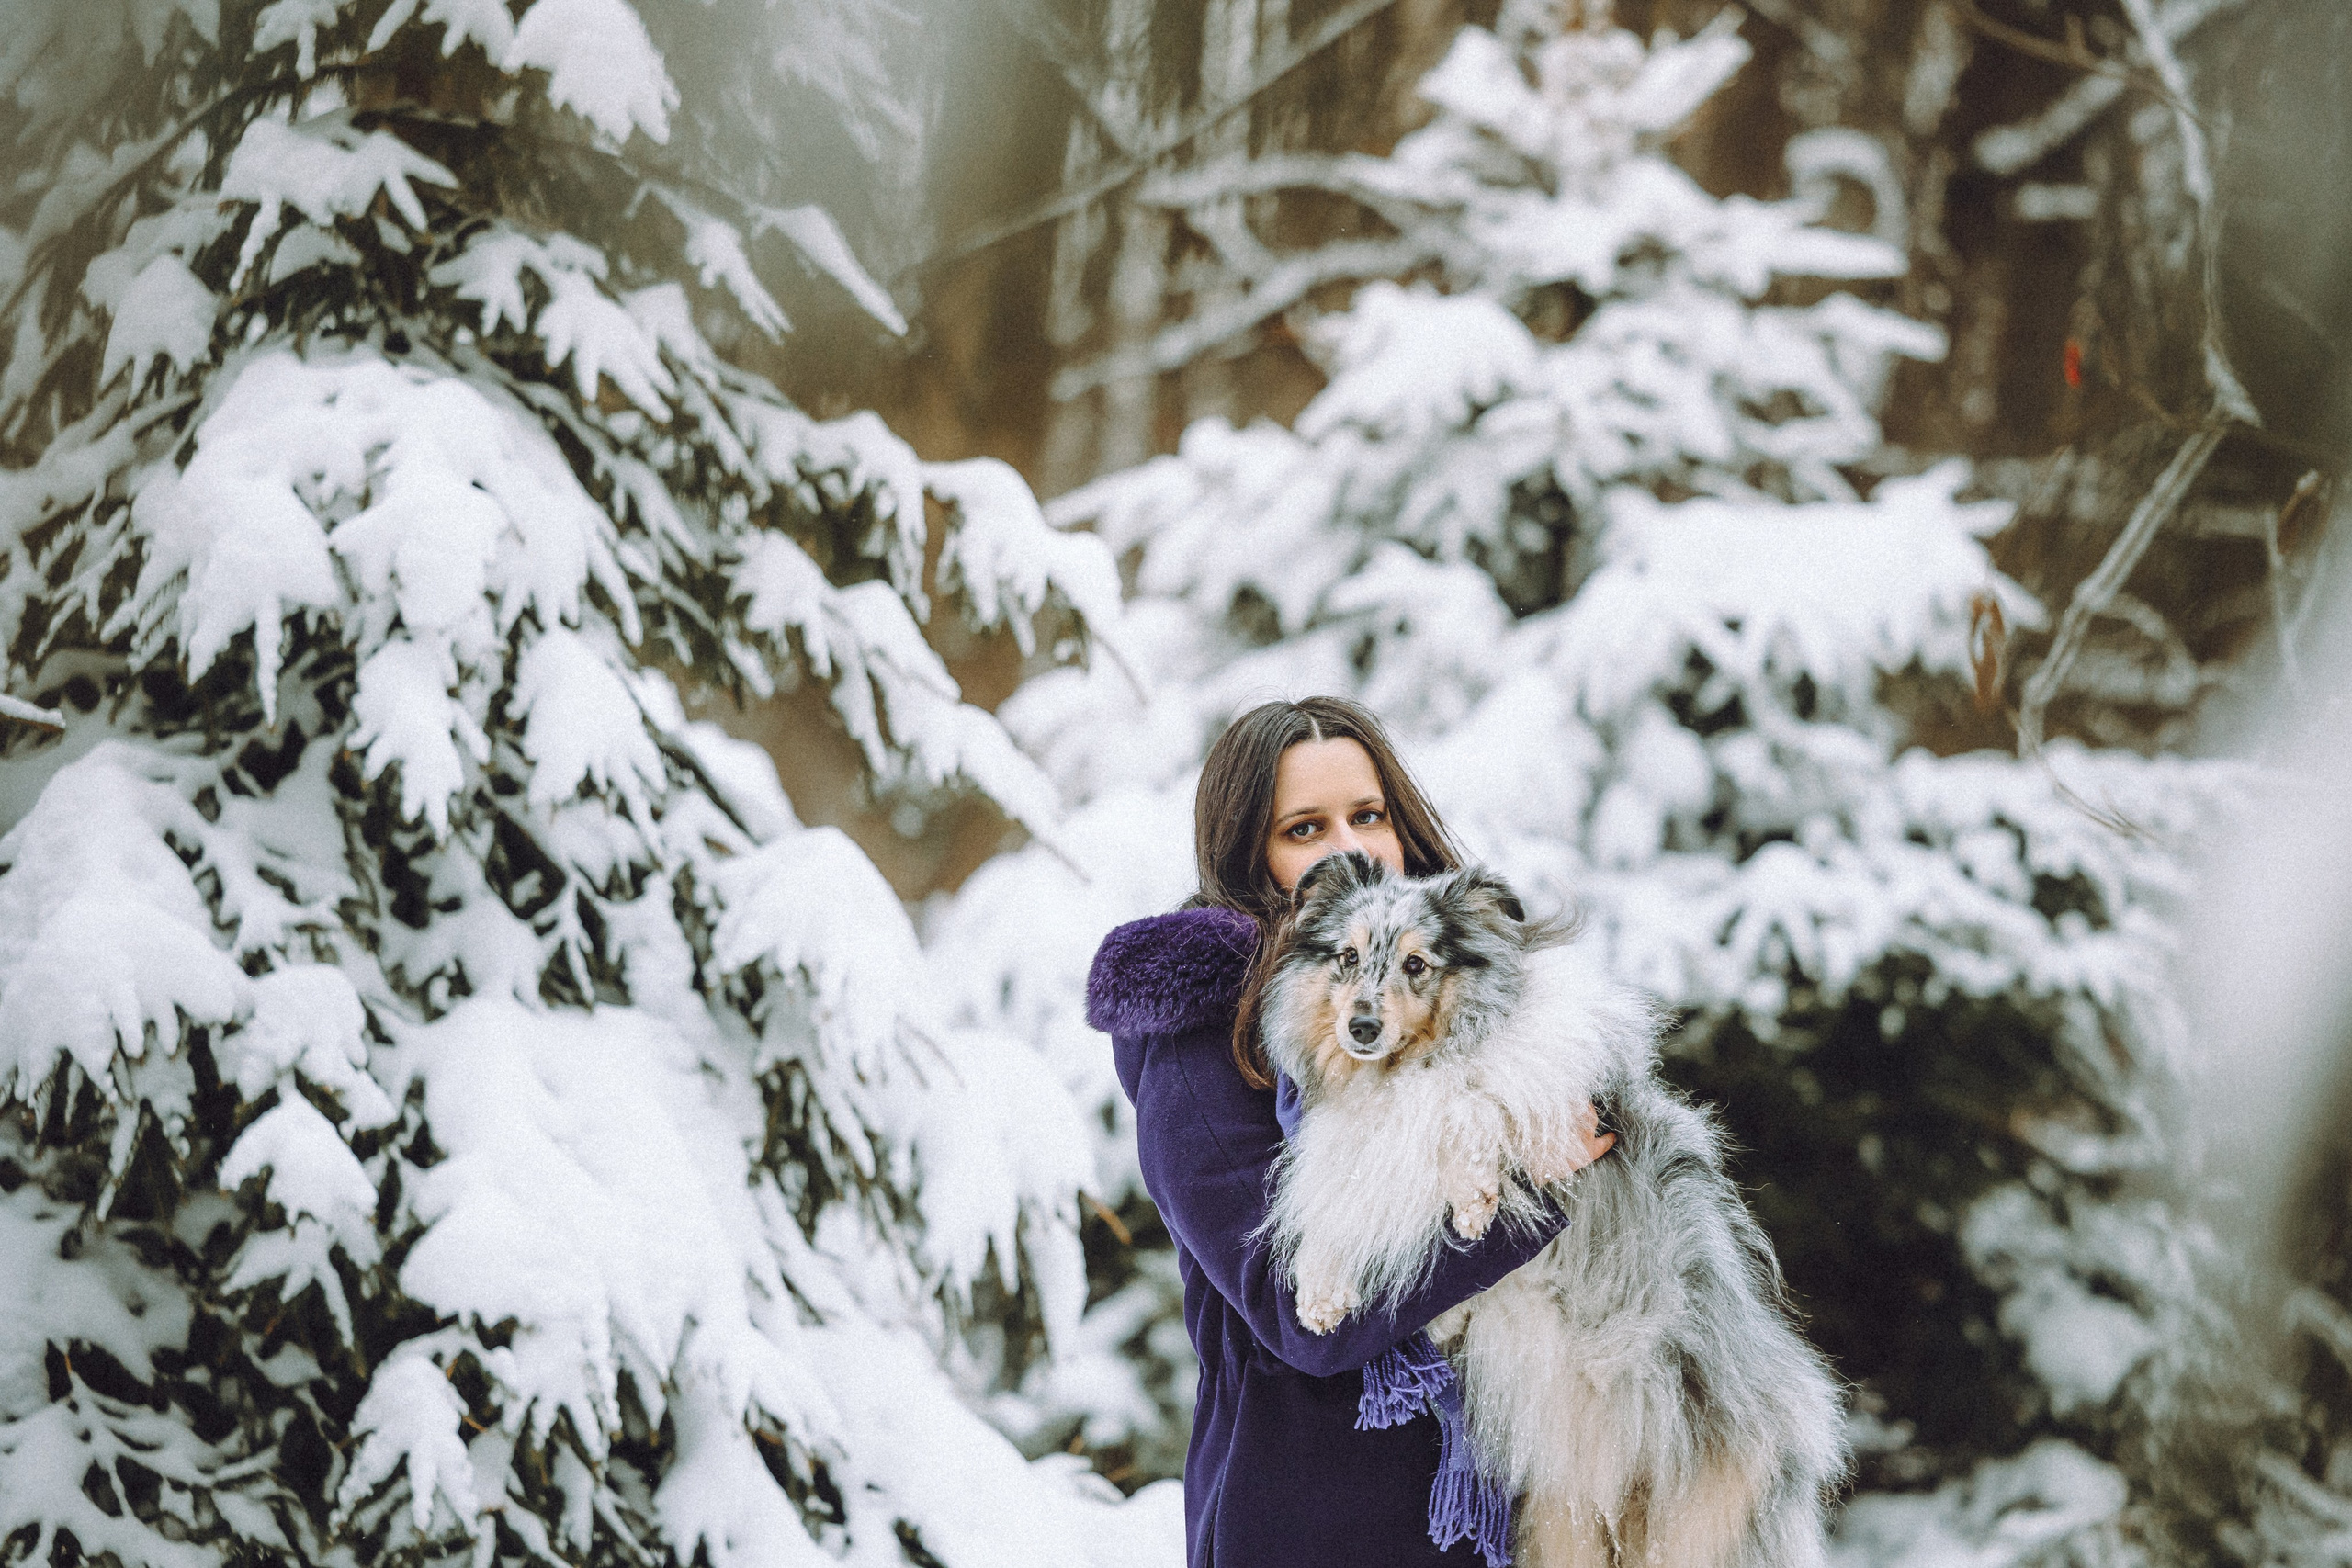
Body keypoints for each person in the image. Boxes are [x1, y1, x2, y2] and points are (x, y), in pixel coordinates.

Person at [1085, 696, 1614, 1568]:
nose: (1349, 848)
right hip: (1314, 1523)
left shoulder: (1454, 988)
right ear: (1248, 854)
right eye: (1304, 827)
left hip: (1493, 1513)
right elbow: (1302, 1319)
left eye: (1368, 815)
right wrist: (1526, 1192)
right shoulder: (1198, 1044)